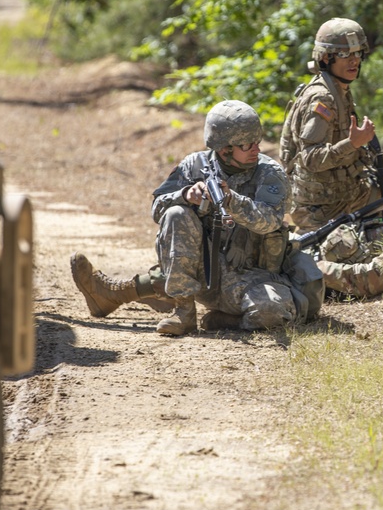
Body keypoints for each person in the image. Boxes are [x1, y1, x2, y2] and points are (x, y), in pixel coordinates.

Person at [70, 100, 324, 335]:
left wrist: (232, 201)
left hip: (250, 276)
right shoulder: (193, 165)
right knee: (176, 214)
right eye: (247, 145)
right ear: (224, 149)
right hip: (201, 271)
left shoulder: (269, 173)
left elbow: (268, 221)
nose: (256, 149)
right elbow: (157, 209)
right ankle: (183, 311)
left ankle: (220, 320)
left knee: (273, 312)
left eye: (257, 142)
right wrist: (185, 195)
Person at [278, 18, 383, 298]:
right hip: (319, 209)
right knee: (350, 249)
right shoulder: (321, 99)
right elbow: (309, 159)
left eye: (358, 53)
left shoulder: (340, 90)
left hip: (346, 196)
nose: (354, 61)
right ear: (326, 58)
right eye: (345, 55)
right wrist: (352, 143)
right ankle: (317, 267)